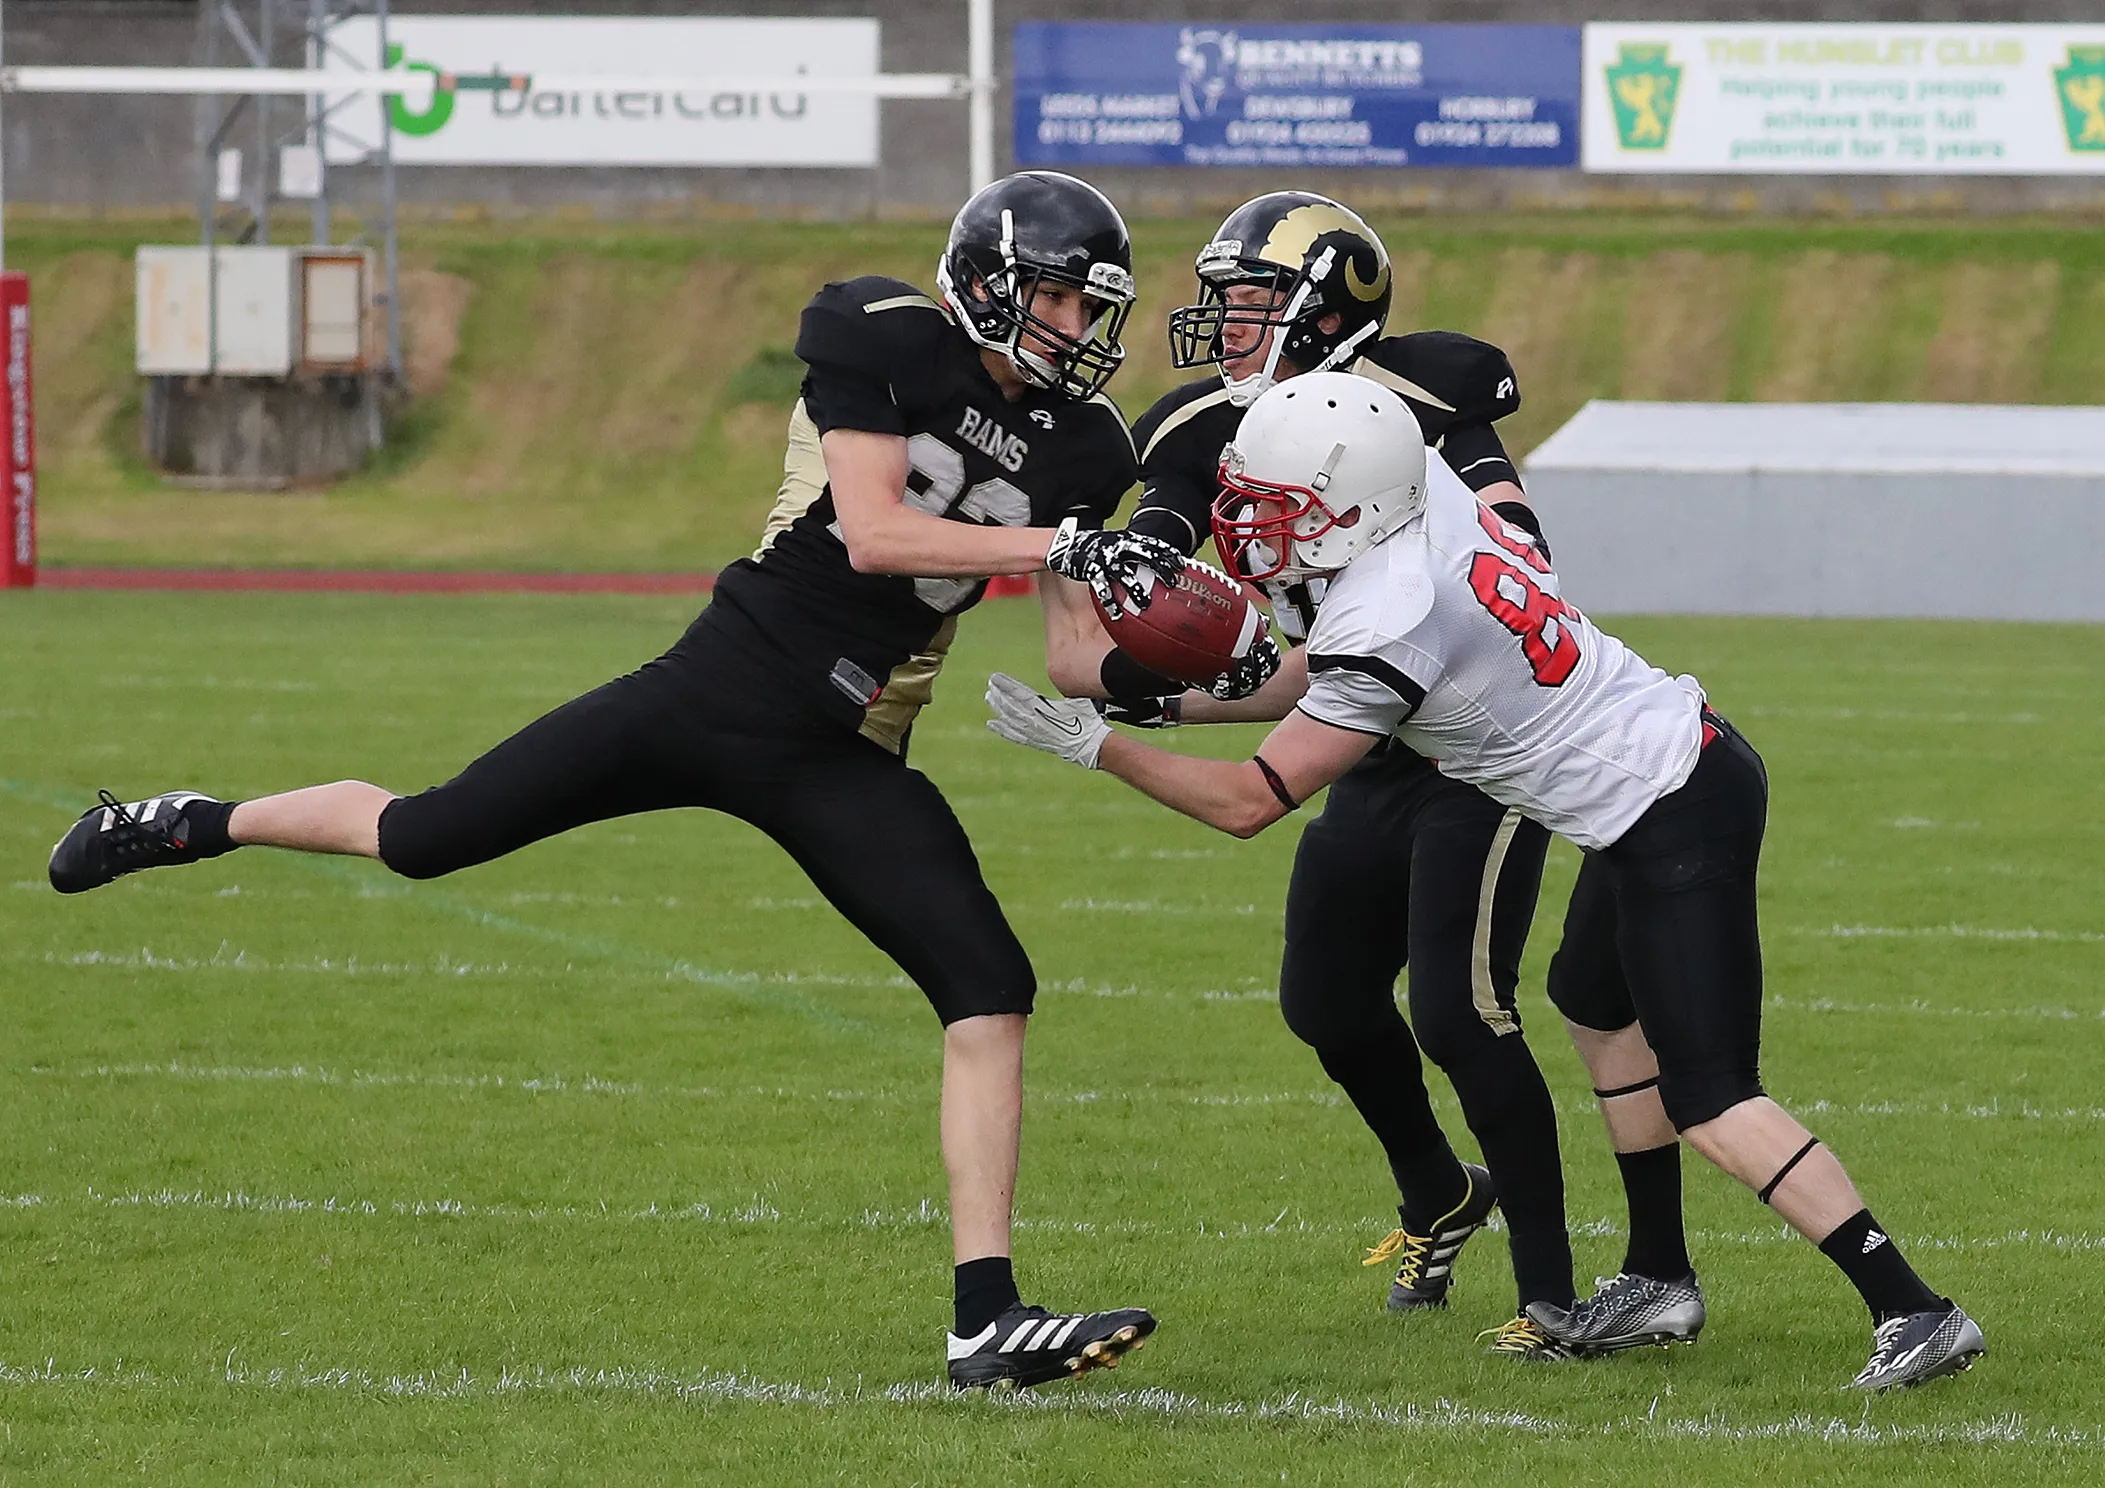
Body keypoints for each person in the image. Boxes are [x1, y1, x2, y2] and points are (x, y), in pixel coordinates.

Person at [46, 170, 1195, 1394]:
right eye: (1065, 299)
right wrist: (1063, 544)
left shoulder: (1087, 447)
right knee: (427, 835)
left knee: (987, 985)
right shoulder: (883, 333)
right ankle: (190, 823)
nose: (1081, 329)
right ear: (989, 283)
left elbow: (1077, 655)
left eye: (1093, 307)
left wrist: (1210, 661)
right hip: (724, 686)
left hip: (846, 747)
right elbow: (871, 530)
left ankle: (984, 1322)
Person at [985, 372, 1986, 1392]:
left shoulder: (1388, 611)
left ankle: (1911, 1306)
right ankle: (1656, 1276)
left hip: (1670, 807)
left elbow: (1251, 800)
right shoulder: (1417, 487)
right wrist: (1167, 709)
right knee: (1591, 1003)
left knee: (1714, 1095)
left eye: (1274, 506)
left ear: (1350, 507)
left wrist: (1096, 745)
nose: (1246, 525)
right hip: (1663, 772)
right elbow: (1318, 675)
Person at [1044, 191, 1586, 1358]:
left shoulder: (1427, 385)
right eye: (1222, 300)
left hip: (1473, 739)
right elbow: (1165, 536)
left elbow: (1518, 540)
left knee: (1459, 1010)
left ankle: (1550, 1293)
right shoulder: (1198, 420)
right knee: (1325, 1000)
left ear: (1327, 306)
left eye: (1250, 301)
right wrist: (1142, 595)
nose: (1225, 323)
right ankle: (1441, 1195)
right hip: (1355, 735)